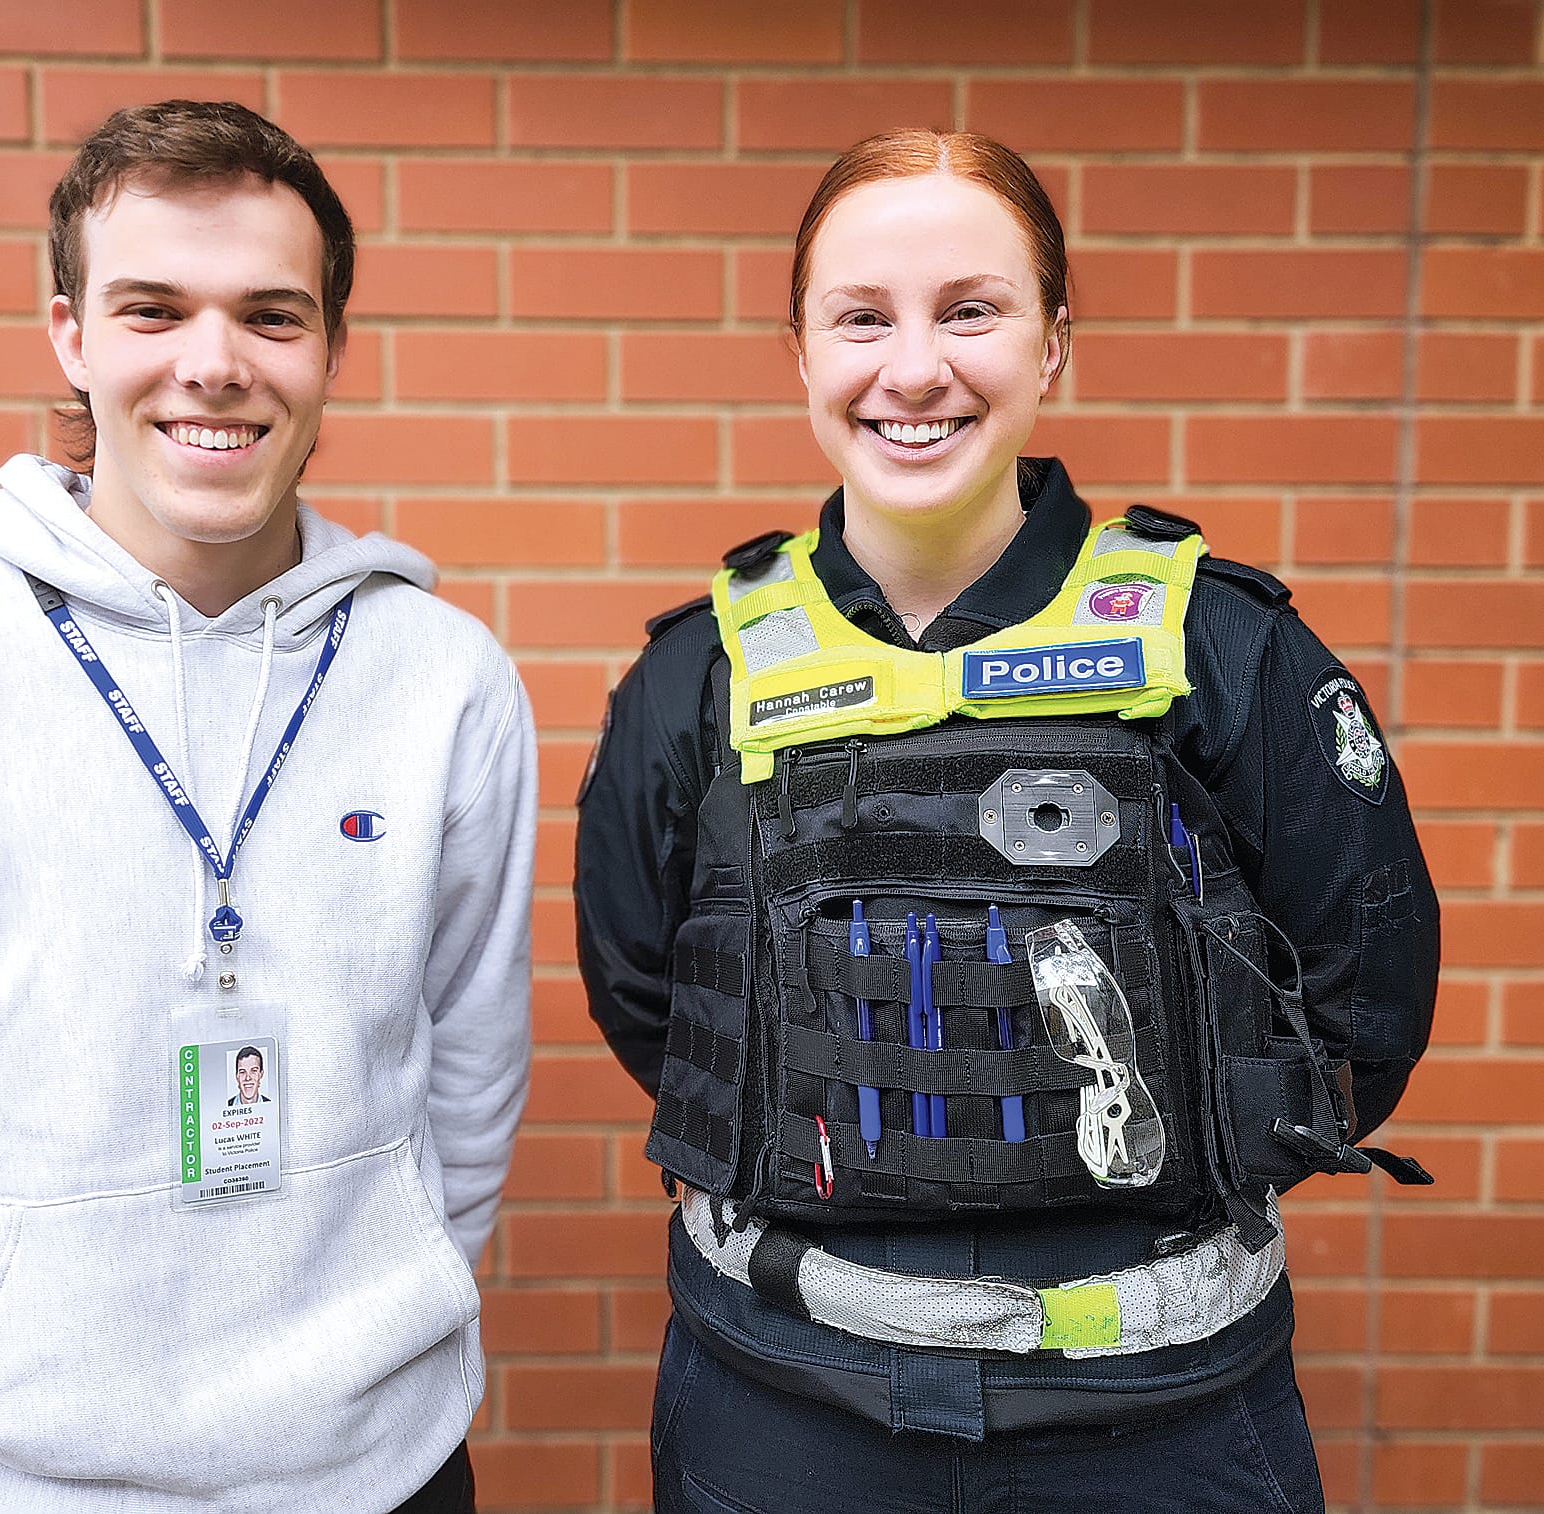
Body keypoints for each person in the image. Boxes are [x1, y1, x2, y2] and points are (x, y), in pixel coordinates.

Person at [574, 128, 1438, 1514]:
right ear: (799, 353)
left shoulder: (1222, 651)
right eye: (862, 317)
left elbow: (1363, 999)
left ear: (1051, 347)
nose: (913, 368)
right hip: (786, 1411)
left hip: (1158, 1418)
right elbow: (648, 999)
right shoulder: (696, 678)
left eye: (969, 309)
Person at [0, 101, 534, 1514]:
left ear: (331, 348)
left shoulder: (445, 679)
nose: (213, 365)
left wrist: (403, 1280)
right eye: (153, 307)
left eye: (270, 315)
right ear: (70, 335)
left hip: (375, 1465)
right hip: (16, 1478)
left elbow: (473, 1058)